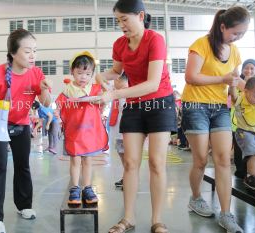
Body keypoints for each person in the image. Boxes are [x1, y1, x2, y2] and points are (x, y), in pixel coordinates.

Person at [96, 1, 177, 232]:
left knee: (156, 162)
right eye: (118, 20)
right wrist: (100, 75)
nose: (121, 25)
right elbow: (116, 71)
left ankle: (157, 220)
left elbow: (152, 83)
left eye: (125, 19)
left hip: (160, 103)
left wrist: (115, 94)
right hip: (134, 105)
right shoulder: (120, 44)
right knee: (130, 163)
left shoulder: (155, 40)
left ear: (140, 16)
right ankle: (128, 218)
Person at [181, 6, 250, 233]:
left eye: (242, 34)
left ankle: (226, 214)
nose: (238, 37)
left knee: (222, 160)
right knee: (201, 159)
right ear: (222, 26)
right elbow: (191, 76)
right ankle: (195, 197)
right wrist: (222, 78)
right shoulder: (201, 44)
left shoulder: (235, 51)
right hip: (195, 106)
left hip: (220, 108)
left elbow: (234, 79)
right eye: (235, 33)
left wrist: (247, 93)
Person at [0, 29, 51, 233]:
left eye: (35, 51)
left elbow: (46, 102)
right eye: (27, 51)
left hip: (21, 122)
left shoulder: (36, 73)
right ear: (12, 52)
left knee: (23, 165)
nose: (32, 56)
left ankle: (24, 205)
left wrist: (45, 88)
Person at [56, 51, 108, 206]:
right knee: (75, 160)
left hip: (89, 132)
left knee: (87, 160)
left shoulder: (95, 89)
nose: (83, 77)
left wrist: (103, 95)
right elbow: (58, 106)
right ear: (72, 71)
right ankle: (75, 188)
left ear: (92, 74)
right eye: (79, 73)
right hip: (74, 131)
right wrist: (57, 117)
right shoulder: (67, 90)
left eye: (87, 73)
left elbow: (104, 101)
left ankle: (87, 188)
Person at [109, 72, 128, 188]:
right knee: (121, 154)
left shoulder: (127, 93)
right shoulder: (118, 93)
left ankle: (129, 179)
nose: (114, 83)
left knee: (128, 156)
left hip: (125, 131)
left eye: (115, 80)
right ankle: (125, 177)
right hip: (117, 131)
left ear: (121, 80)